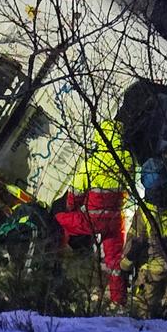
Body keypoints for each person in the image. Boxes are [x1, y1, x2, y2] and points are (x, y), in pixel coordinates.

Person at [55, 118, 134, 306]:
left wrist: (70, 208)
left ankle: (56, 263)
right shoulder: (127, 159)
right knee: (115, 262)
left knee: (58, 219)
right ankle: (119, 301)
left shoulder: (92, 163)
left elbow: (75, 193)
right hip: (116, 219)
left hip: (92, 219)